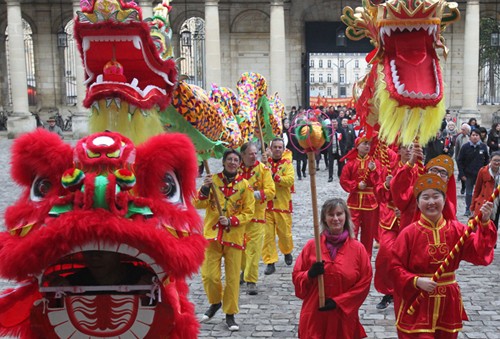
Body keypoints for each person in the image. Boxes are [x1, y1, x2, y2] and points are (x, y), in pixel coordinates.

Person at [390, 173, 496, 338]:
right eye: (425, 197)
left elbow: (480, 254)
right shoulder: (408, 233)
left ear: (445, 200)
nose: (431, 202)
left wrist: (484, 223)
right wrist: (416, 281)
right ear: (418, 203)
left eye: (436, 196)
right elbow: (394, 267)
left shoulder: (458, 230)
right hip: (419, 300)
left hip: (448, 301)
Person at [292, 198, 372, 339]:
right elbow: (297, 276)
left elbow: (364, 283)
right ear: (324, 218)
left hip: (343, 317)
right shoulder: (312, 246)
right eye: (331, 215)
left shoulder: (358, 249)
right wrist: (309, 274)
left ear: (346, 217)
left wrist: (339, 302)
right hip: (316, 315)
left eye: (339, 214)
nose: (335, 218)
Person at [194, 149, 255, 331]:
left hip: (234, 237)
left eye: (236, 160)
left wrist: (231, 220)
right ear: (224, 161)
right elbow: (197, 203)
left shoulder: (245, 186)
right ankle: (215, 302)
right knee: (209, 276)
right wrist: (205, 188)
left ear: (240, 163)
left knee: (233, 278)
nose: (233, 162)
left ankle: (230, 313)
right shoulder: (213, 181)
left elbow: (249, 212)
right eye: (230, 159)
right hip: (212, 236)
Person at [373, 144, 411, 310]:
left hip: (410, 220)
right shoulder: (390, 168)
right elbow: (379, 193)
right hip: (390, 220)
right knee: (385, 254)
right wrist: (387, 186)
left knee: (408, 258)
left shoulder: (419, 170)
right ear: (400, 150)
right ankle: (388, 291)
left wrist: (406, 208)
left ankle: (406, 291)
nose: (408, 150)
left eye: (411, 147)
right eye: (405, 147)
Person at [238, 142, 275, 295]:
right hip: (238, 217)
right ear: (243, 155)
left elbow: (271, 191)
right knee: (240, 249)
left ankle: (251, 280)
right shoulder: (235, 168)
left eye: (255, 153)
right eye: (250, 153)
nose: (254, 156)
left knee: (253, 250)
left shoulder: (263, 170)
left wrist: (254, 195)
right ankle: (244, 271)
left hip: (257, 216)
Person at [391, 149, 457, 229]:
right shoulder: (414, 192)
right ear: (426, 173)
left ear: (447, 180)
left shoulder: (449, 204)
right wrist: (411, 163)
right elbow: (397, 188)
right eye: (434, 170)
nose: (438, 175)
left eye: (443, 173)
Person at [339, 134, 381, 257]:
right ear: (357, 146)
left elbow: (378, 182)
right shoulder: (351, 164)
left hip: (370, 203)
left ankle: (366, 256)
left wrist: (373, 171)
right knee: (352, 230)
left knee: (368, 232)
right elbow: (344, 180)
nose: (367, 146)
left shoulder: (374, 163)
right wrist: (356, 185)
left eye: (369, 144)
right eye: (364, 143)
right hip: (354, 202)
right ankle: (351, 254)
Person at [263, 138, 295, 275]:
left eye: (279, 147)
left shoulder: (287, 164)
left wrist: (275, 177)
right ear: (271, 148)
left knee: (284, 234)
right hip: (266, 206)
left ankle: (287, 251)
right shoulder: (264, 164)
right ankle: (270, 261)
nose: (277, 149)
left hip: (282, 205)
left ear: (283, 149)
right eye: (275, 147)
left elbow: (289, 180)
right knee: (268, 236)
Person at [458, 129, 489, 217]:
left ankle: (477, 208)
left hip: (480, 174)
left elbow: (486, 160)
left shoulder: (483, 147)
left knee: (480, 192)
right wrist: (462, 174)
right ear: (470, 136)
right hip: (468, 174)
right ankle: (468, 208)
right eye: (473, 135)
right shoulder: (465, 147)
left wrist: (486, 171)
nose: (475, 137)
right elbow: (460, 161)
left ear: (479, 137)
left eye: (477, 135)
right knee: (468, 193)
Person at [471, 151, 500, 226]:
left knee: (494, 226)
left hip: (497, 203)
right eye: (495, 160)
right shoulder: (483, 171)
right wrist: (472, 206)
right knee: (483, 226)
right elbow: (477, 190)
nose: (497, 163)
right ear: (490, 160)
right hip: (486, 202)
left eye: (499, 160)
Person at [454, 123, 471, 195]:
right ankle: (463, 186)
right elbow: (457, 148)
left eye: (463, 130)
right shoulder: (459, 137)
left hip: (470, 158)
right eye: (461, 129)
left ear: (467, 130)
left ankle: (468, 186)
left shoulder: (471, 136)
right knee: (462, 173)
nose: (462, 131)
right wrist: (457, 158)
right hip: (461, 158)